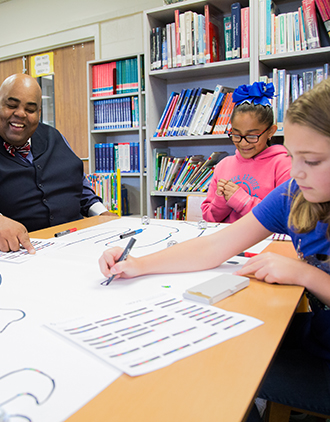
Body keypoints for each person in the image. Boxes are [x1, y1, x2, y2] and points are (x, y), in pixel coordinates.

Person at [99, 79, 330, 419]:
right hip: (317, 338)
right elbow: (216, 245)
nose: (296, 172)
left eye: (310, 160)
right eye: (293, 156)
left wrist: (305, 274)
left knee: (221, 377)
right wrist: (139, 264)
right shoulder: (294, 196)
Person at [0, 73, 114, 253]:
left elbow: (77, 183)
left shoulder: (54, 136)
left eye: (30, 109)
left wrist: (101, 213)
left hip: (77, 242)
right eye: (11, 105)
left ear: (39, 113)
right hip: (18, 252)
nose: (20, 114)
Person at [201, 82, 291, 223]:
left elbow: (286, 218)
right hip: (228, 241)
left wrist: (241, 200)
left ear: (271, 132)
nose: (243, 143)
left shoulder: (283, 164)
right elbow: (209, 218)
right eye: (236, 135)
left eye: (252, 136)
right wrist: (221, 200)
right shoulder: (224, 165)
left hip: (266, 243)